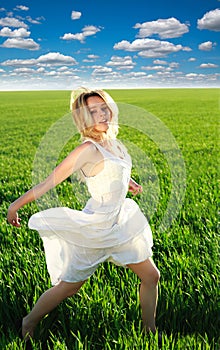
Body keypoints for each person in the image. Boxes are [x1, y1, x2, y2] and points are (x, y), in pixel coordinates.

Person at [7, 88, 160, 342]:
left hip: (119, 223)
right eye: (93, 111)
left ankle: (150, 331)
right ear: (83, 118)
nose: (102, 114)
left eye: (104, 108)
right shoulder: (87, 150)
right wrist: (14, 205)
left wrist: (128, 182)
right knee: (70, 286)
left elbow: (114, 167)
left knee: (151, 276)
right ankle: (28, 322)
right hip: (96, 228)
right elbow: (49, 183)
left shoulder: (113, 142)